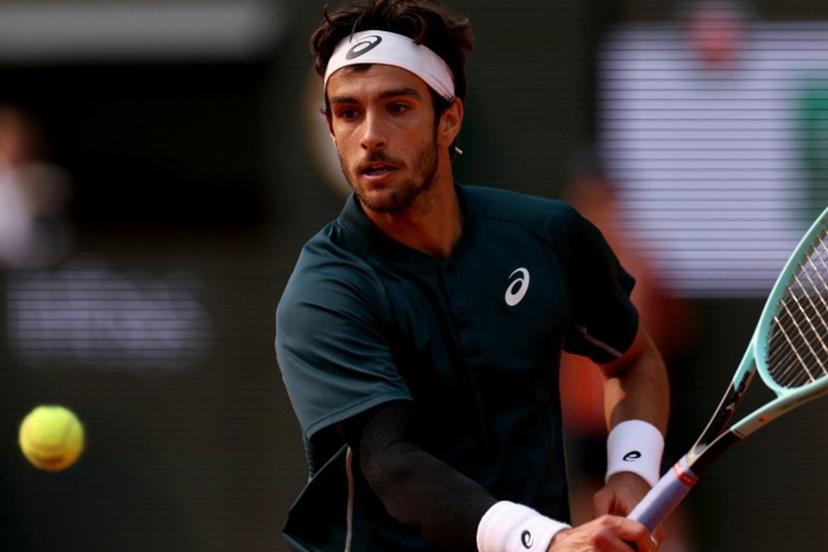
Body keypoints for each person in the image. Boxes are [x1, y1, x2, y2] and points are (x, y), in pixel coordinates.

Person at [275, 1, 670, 550]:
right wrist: (548, 542)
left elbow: (633, 361)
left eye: (397, 107)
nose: (370, 135)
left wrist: (632, 471)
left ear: (449, 119)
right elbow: (393, 465)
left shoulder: (547, 236)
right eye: (347, 113)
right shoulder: (324, 294)